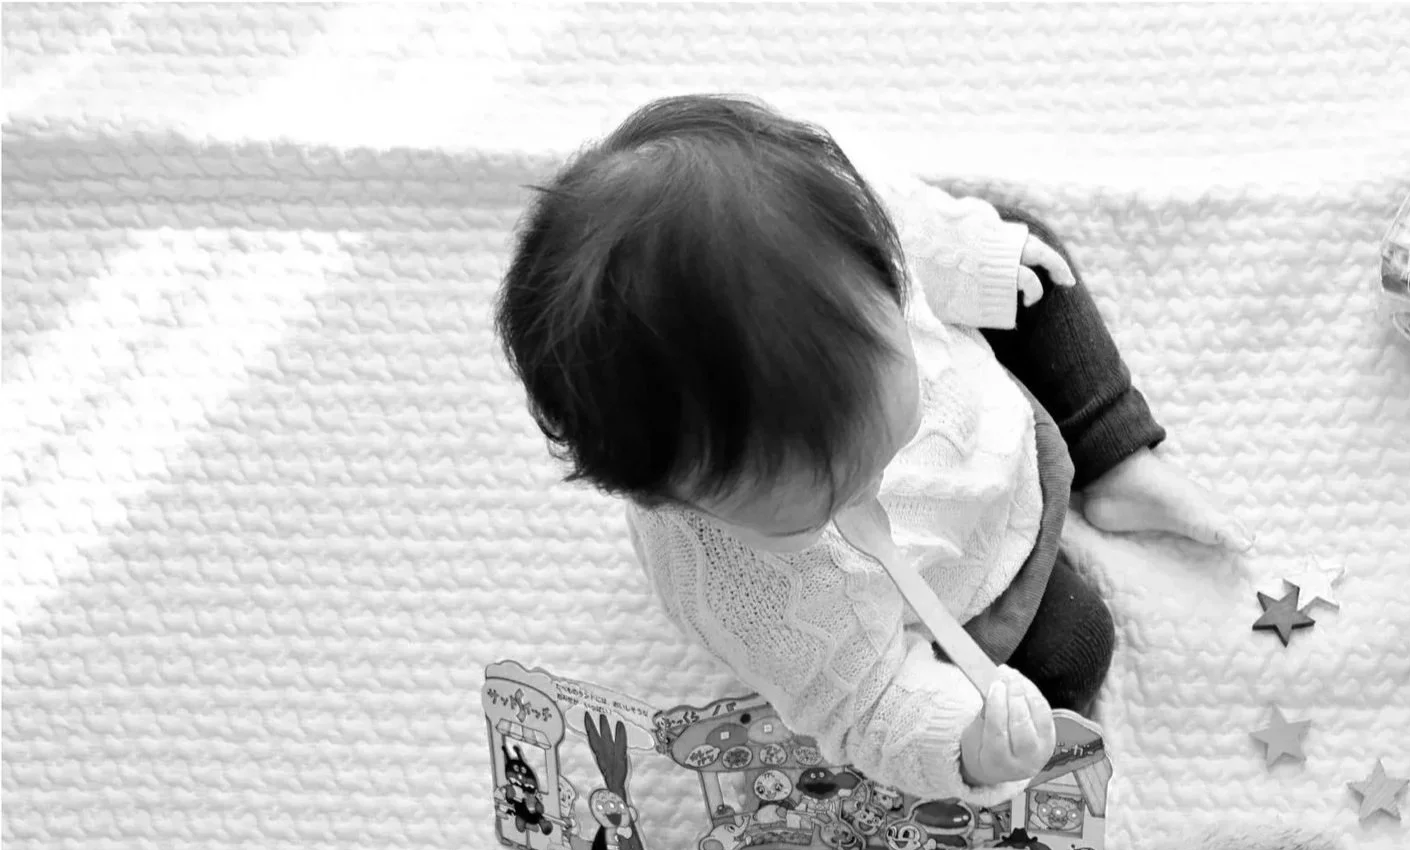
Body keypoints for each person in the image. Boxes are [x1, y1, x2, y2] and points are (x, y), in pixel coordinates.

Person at [496, 95, 1244, 801]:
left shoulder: (845, 226)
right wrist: (969, 745)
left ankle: (1112, 453)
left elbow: (912, 223)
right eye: (824, 501)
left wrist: (967, 257)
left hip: (992, 421)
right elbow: (867, 706)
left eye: (878, 448)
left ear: (881, 278)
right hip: (958, 592)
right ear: (667, 499)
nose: (871, 489)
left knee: (1025, 257)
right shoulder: (751, 600)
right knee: (1074, 649)